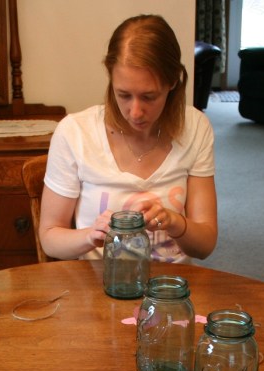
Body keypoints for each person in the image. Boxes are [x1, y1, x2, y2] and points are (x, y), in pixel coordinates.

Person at [38, 14, 217, 262]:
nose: (135, 112)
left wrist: (174, 222)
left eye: (149, 96)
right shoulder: (75, 132)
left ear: (173, 81)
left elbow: (205, 245)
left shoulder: (196, 127)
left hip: (168, 289)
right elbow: (49, 238)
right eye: (123, 95)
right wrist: (91, 235)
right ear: (110, 78)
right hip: (100, 286)